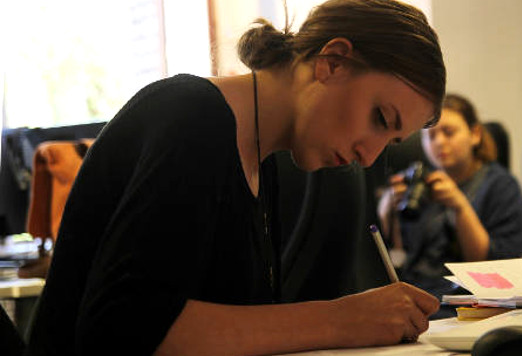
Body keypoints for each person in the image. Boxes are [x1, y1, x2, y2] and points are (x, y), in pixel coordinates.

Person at [25, 0, 446, 355]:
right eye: (379, 118)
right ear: (332, 62)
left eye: (389, 141)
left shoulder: (263, 162)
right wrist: (343, 319)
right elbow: (122, 328)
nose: (367, 156)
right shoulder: (192, 119)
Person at [377, 94, 522, 318]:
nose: (439, 142)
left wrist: (460, 206)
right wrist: (385, 211)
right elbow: (399, 257)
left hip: (467, 305)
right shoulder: (420, 185)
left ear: (475, 135)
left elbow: (496, 269)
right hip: (415, 297)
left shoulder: (500, 186)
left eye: (448, 133)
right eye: (430, 136)